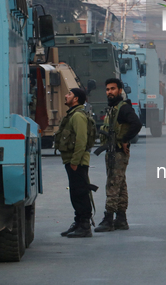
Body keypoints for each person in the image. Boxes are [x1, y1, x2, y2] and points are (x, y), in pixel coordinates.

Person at [95, 78, 142, 232]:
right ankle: (121, 219)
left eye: (113, 89)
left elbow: (136, 123)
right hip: (113, 152)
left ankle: (108, 219)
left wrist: (124, 139)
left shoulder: (123, 108)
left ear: (120, 90)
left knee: (113, 185)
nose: (110, 92)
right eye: (108, 89)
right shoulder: (114, 108)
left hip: (118, 153)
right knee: (120, 185)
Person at [57, 88, 97, 238]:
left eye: (69, 94)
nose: (66, 96)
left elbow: (81, 140)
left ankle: (85, 225)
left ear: (76, 99)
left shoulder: (78, 116)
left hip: (77, 161)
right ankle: (79, 222)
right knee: (75, 191)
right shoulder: (73, 114)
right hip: (72, 160)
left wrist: (75, 161)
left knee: (80, 192)